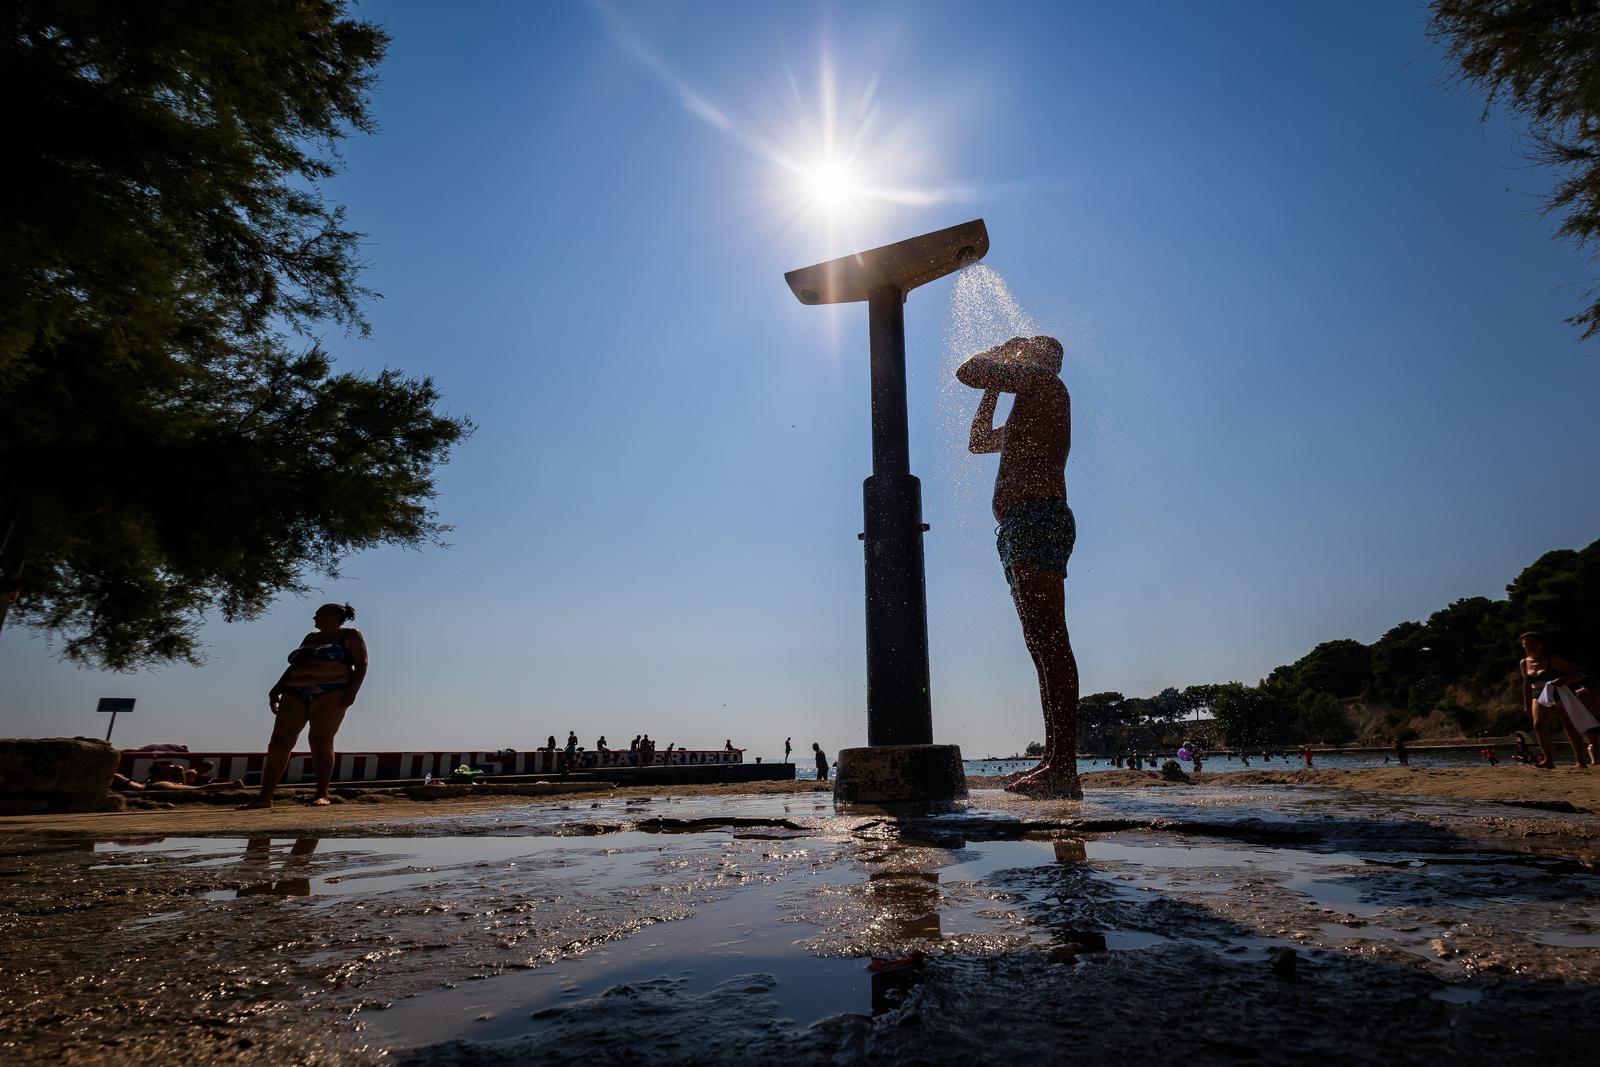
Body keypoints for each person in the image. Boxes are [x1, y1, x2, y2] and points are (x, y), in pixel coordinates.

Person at [957, 335, 1080, 799]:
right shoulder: (1027, 408)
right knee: (1040, 644)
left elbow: (968, 370)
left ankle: (1063, 769)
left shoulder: (1043, 383)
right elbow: (978, 441)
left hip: (1036, 519)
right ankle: (1053, 761)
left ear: (1042, 359)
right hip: (1019, 526)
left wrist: (1003, 350)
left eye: (1028, 351)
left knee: (1051, 641)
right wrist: (995, 387)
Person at [240, 603, 366, 809]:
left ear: (335, 616)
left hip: (331, 690)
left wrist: (352, 692)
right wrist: (276, 689)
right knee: (279, 742)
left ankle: (322, 794)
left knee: (320, 740)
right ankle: (265, 797)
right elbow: (295, 666)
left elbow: (361, 664)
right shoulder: (310, 638)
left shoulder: (350, 635)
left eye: (319, 613)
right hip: (295, 690)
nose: (314, 617)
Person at [1520, 632, 1596, 768]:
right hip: (1538, 693)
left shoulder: (1553, 659)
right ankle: (1548, 760)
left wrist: (1565, 679)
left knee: (1569, 727)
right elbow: (1526, 684)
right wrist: (1526, 703)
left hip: (1559, 691)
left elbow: (1577, 673)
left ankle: (1580, 761)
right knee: (1539, 725)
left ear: (1541, 644)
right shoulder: (1524, 662)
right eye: (1526, 644)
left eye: (1532, 643)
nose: (1529, 646)